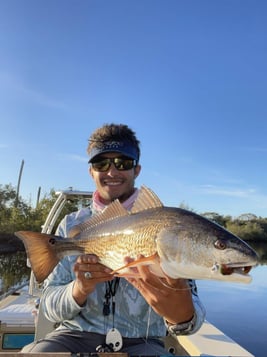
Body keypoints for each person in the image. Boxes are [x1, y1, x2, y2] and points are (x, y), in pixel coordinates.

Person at [22, 123, 205, 355]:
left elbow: (192, 320)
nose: (111, 172)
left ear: (136, 170)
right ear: (91, 171)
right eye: (101, 163)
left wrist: (181, 314)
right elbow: (49, 306)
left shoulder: (166, 226)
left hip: (143, 341)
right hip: (73, 335)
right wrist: (79, 289)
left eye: (123, 163)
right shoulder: (70, 225)